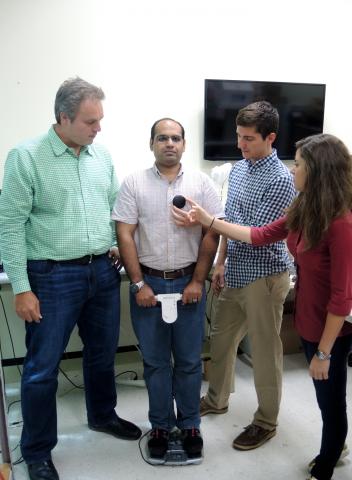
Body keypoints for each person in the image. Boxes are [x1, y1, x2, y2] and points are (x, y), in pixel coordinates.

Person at [188, 133, 352, 480]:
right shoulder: (306, 206)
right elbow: (260, 234)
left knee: (330, 399)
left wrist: (324, 353)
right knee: (326, 396)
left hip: (332, 328)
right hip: (308, 316)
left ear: (319, 171)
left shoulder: (341, 224)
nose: (294, 170)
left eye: (300, 164)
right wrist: (210, 222)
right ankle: (337, 443)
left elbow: (342, 298)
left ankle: (328, 458)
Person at [0, 77, 141, 480]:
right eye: (90, 121)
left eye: (100, 120)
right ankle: (38, 450)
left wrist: (115, 243)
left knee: (101, 353)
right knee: (42, 367)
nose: (99, 129)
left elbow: (113, 208)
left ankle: (102, 415)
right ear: (63, 117)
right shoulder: (26, 157)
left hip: (101, 271)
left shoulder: (102, 156)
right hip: (51, 276)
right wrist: (23, 288)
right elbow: (9, 225)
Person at [181, 101, 296, 451]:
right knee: (220, 340)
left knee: (264, 353)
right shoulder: (240, 170)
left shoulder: (281, 180)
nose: (241, 144)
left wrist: (207, 221)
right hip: (235, 271)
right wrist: (220, 263)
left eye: (248, 138)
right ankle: (217, 400)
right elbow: (233, 220)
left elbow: (255, 233)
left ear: (270, 137)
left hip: (265, 276)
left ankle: (266, 422)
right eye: (238, 136)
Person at [112, 118, 223, 459]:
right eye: (163, 138)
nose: (170, 143)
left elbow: (212, 233)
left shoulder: (203, 184)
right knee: (156, 363)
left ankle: (190, 424)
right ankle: (160, 425)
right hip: (150, 284)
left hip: (189, 282)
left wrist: (197, 281)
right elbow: (125, 233)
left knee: (190, 361)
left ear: (185, 145)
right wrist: (139, 283)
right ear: (152, 144)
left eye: (176, 138)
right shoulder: (134, 184)